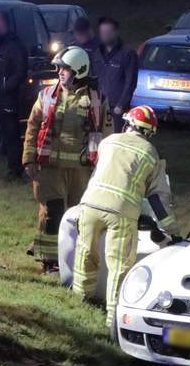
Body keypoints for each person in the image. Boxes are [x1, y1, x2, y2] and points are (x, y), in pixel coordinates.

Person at [71, 106, 175, 325]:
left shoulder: (108, 141)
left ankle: (79, 301)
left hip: (90, 204)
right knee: (119, 265)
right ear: (149, 132)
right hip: (122, 212)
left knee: (85, 253)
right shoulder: (150, 153)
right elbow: (157, 197)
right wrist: (168, 229)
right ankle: (113, 318)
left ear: (128, 123)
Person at [23, 46, 100, 271]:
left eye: (65, 69)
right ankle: (49, 261)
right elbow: (32, 126)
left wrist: (100, 166)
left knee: (77, 215)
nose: (60, 73)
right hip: (50, 168)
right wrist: (29, 158)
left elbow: (102, 135)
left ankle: (73, 258)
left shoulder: (95, 100)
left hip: (81, 169)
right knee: (52, 213)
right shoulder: (46, 95)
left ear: (79, 70)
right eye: (59, 68)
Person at [0, 9, 27, 177]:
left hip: (7, 100)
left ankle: (15, 170)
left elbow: (21, 71)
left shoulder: (14, 46)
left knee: (11, 136)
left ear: (1, 23)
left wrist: (5, 88)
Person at [95, 17, 139, 133]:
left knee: (114, 138)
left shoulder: (127, 54)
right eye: (103, 32)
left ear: (116, 33)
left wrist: (121, 104)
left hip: (116, 109)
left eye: (108, 32)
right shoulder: (96, 53)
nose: (105, 35)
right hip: (97, 105)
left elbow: (131, 82)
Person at [71, 16, 106, 89]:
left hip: (98, 85)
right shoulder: (74, 47)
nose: (78, 36)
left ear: (89, 30)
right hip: (81, 86)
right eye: (76, 34)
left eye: (81, 33)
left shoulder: (101, 45)